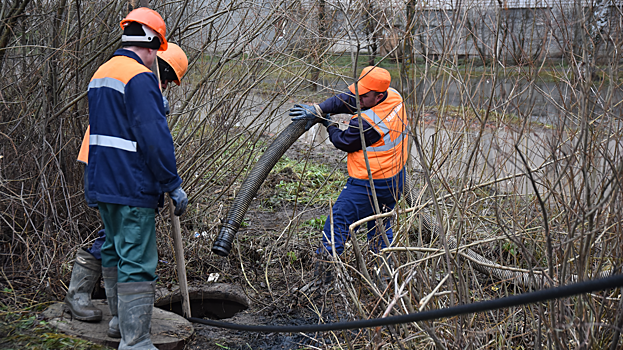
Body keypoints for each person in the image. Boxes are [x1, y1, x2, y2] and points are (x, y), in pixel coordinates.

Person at [64, 41, 189, 334]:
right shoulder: (138, 78)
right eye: (167, 77)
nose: (167, 85)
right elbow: (146, 135)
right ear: (160, 63)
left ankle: (117, 316)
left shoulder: (137, 79)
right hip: (111, 165)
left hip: (111, 166)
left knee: (116, 236)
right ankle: (80, 295)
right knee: (117, 237)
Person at [289, 66, 409, 284]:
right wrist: (318, 108)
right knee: (380, 226)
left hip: (369, 183)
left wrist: (328, 123)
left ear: (378, 96)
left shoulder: (369, 122)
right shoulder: (394, 96)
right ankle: (385, 279)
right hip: (396, 180)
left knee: (337, 224)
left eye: (362, 95)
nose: (357, 98)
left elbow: (344, 142)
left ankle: (323, 281)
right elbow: (347, 99)